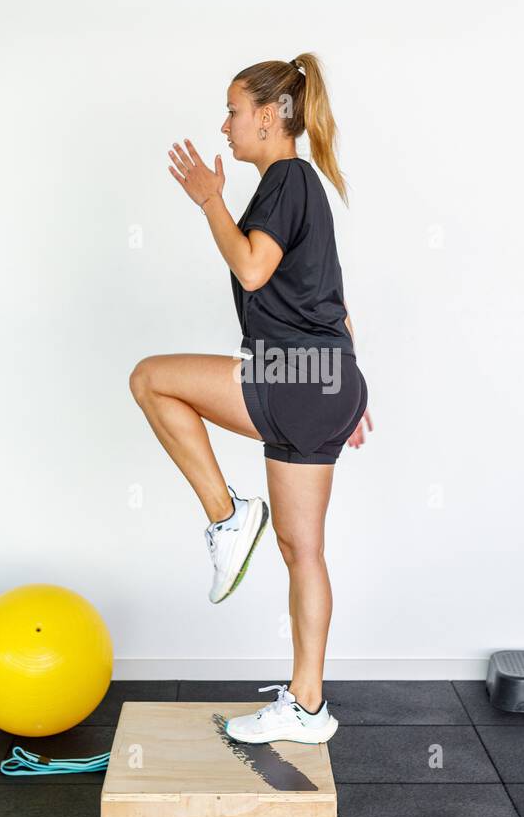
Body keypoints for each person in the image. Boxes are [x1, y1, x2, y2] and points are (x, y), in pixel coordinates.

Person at [129, 53, 372, 744]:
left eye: (233, 111)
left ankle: (228, 515)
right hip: (326, 380)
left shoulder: (285, 178)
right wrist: (348, 392)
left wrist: (209, 197)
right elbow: (331, 296)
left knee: (150, 378)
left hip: (295, 375)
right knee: (303, 550)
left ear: (269, 117)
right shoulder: (302, 186)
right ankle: (306, 705)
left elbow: (253, 266)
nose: (226, 125)